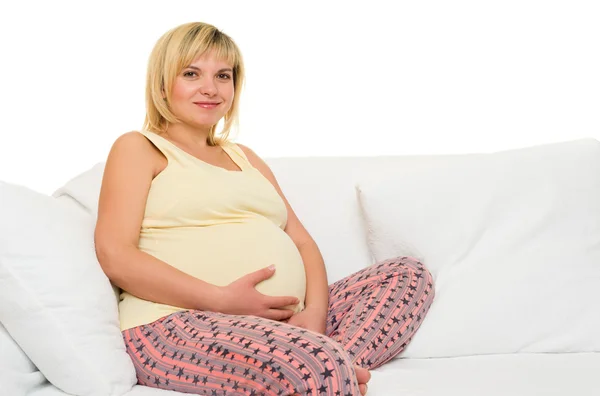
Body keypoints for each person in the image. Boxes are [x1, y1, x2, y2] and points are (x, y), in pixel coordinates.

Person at [94, 21, 435, 396]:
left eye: (223, 76)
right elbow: (115, 254)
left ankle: (328, 362)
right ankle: (323, 366)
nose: (210, 88)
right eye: (192, 73)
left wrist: (313, 320)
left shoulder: (246, 158)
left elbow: (303, 243)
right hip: (175, 323)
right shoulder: (139, 148)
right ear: (162, 84)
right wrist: (221, 300)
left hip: (284, 325)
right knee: (316, 363)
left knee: (406, 275)